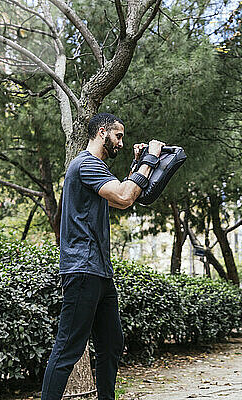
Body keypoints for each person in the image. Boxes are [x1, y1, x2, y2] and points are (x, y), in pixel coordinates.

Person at [41, 113, 164, 400]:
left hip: (99, 271)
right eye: (118, 136)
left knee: (111, 344)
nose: (121, 142)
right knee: (68, 349)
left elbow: (125, 195)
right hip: (82, 268)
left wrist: (138, 164)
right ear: (101, 132)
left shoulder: (96, 169)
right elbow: (123, 196)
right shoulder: (86, 164)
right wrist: (151, 159)